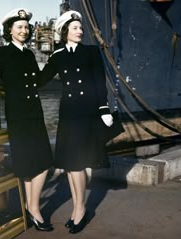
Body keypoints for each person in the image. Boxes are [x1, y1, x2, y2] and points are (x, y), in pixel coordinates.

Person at [39, 10, 114, 234]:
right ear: (64, 32)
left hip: (86, 114)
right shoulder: (57, 55)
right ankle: (76, 209)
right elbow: (39, 79)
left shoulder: (91, 52)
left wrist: (104, 108)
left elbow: (99, 82)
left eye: (81, 28)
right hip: (68, 114)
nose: (80, 31)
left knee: (78, 164)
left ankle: (80, 209)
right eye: (75, 28)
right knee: (70, 166)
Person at [0, 8, 54, 231]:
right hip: (19, 117)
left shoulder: (29, 54)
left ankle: (31, 205)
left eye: (26, 27)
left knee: (44, 161)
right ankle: (33, 210)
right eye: (19, 27)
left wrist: (57, 62)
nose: (24, 30)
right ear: (10, 31)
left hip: (35, 113)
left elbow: (40, 80)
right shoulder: (3, 53)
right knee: (26, 163)